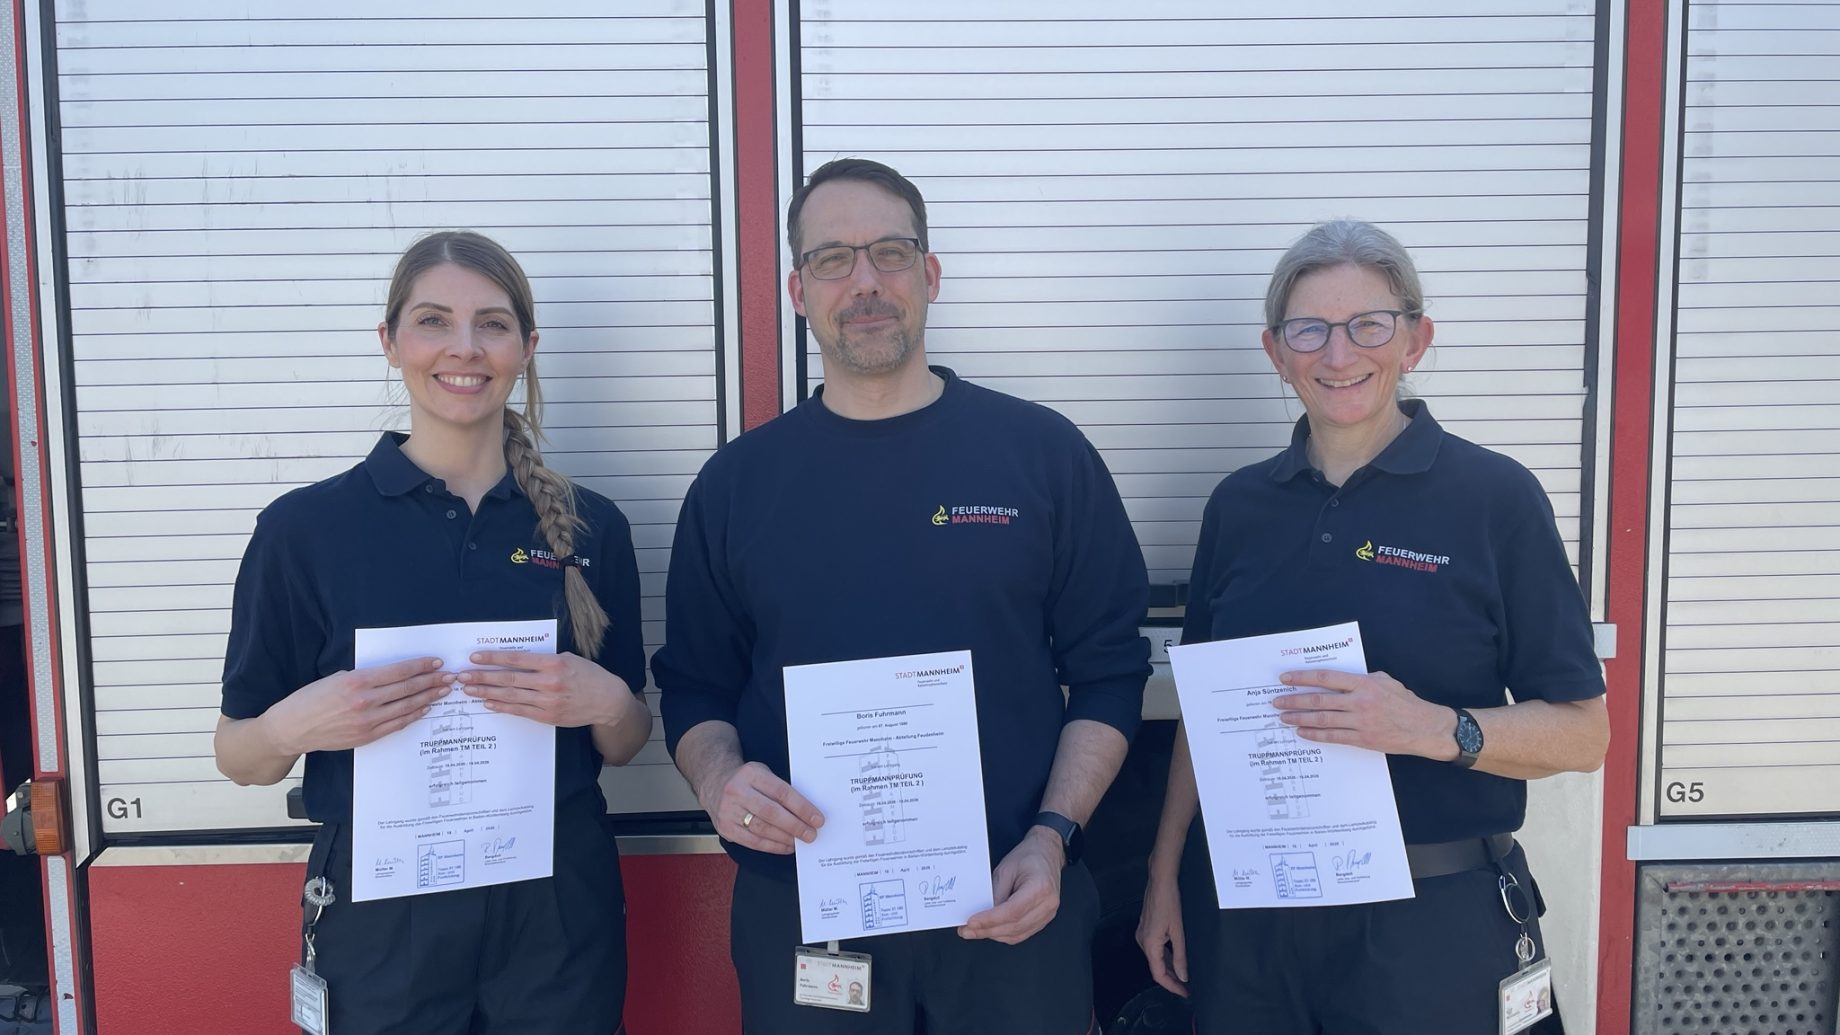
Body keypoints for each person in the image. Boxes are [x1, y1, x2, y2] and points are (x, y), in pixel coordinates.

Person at [653, 158, 1151, 1034]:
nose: (866, 282)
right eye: (832, 259)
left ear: (930, 273)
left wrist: (1052, 837)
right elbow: (694, 688)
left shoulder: (1042, 456)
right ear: (799, 290)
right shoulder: (736, 486)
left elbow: (1110, 674)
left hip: (1012, 900)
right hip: (805, 913)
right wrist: (722, 779)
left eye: (890, 252)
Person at [1134, 220, 1609, 1032]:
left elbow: (1583, 732)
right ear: (1276, 351)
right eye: (1309, 329)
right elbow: (1202, 719)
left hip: (1430, 927)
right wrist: (1164, 873)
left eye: (1369, 325)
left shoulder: (1494, 499)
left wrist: (1432, 727)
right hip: (1253, 927)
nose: (1339, 353)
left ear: (1415, 340)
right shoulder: (1240, 508)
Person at [212, 231, 652, 1034]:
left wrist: (608, 701)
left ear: (526, 346)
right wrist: (297, 724)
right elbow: (239, 753)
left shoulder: (593, 526)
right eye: (433, 320)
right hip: (381, 917)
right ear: (390, 342)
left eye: (492, 323)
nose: (465, 347)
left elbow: (625, 742)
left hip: (557, 910)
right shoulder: (304, 531)